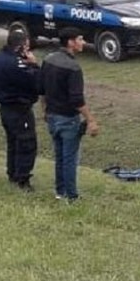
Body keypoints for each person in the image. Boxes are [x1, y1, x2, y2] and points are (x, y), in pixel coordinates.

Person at [39, 28, 99, 202]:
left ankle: (60, 192)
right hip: (68, 119)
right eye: (80, 39)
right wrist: (91, 120)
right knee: (70, 159)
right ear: (71, 42)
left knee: (59, 157)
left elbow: (41, 90)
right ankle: (72, 196)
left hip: (51, 116)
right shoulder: (73, 68)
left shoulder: (48, 59)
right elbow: (77, 100)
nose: (83, 43)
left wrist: (44, 110)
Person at [0, 27, 41, 192]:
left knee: (12, 143)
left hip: (5, 108)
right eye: (26, 45)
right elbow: (36, 83)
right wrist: (34, 65)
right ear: (21, 46)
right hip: (20, 109)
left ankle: (12, 173)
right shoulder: (18, 64)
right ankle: (22, 179)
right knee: (26, 143)